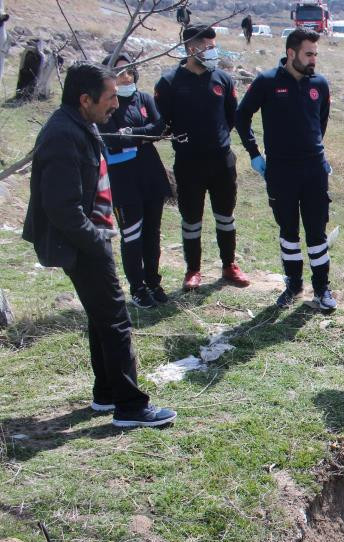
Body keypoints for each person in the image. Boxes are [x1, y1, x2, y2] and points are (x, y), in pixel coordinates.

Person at [22, 62, 176, 428]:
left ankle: (106, 393)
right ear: (85, 99)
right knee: (116, 321)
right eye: (108, 98)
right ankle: (130, 407)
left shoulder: (79, 124)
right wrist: (99, 242)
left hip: (89, 238)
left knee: (101, 318)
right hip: (84, 243)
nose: (114, 105)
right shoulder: (62, 135)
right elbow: (62, 207)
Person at [236, 29, 335, 311]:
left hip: (314, 169)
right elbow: (241, 116)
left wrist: (316, 148)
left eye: (316, 54)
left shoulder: (320, 84)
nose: (314, 59)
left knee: (317, 232)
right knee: (288, 231)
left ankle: (322, 289)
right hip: (280, 171)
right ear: (291, 53)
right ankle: (293, 285)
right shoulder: (267, 82)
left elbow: (321, 121)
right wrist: (254, 153)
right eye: (309, 54)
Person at [154, 25, 250, 292]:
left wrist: (216, 139)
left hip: (221, 161)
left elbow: (232, 117)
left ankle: (229, 265)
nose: (213, 52)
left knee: (226, 216)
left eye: (214, 46)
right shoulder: (170, 82)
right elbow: (163, 121)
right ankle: (193, 270)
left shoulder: (222, 79)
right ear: (191, 49)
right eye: (207, 47)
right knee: (191, 219)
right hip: (188, 163)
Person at [97, 53, 172, 309]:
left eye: (129, 71)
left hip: (150, 175)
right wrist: (141, 135)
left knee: (153, 234)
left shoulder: (145, 99)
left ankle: (153, 281)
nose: (125, 76)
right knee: (132, 236)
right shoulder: (108, 104)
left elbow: (160, 128)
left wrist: (131, 134)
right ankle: (137, 288)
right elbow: (112, 139)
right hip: (123, 180)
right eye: (119, 72)